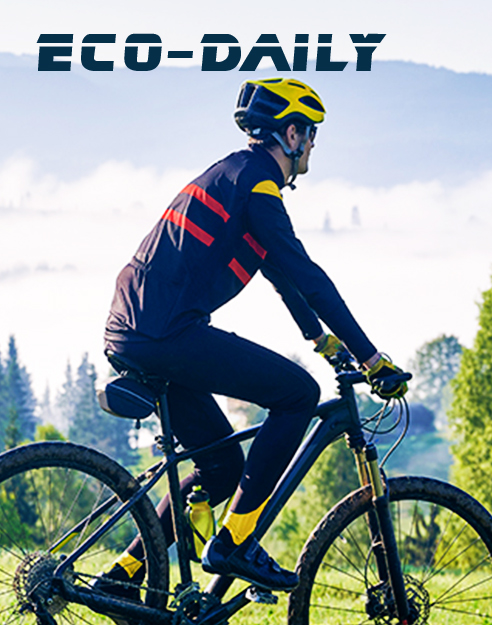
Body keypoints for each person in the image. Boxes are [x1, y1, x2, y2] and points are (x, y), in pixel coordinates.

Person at [94, 78, 407, 596]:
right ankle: (234, 544)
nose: (312, 146)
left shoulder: (236, 175)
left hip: (141, 329)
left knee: (220, 469)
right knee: (298, 395)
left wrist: (321, 340)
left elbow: (281, 277)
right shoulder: (258, 185)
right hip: (164, 331)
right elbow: (307, 275)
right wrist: (371, 357)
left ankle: (119, 578)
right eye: (310, 133)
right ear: (289, 134)